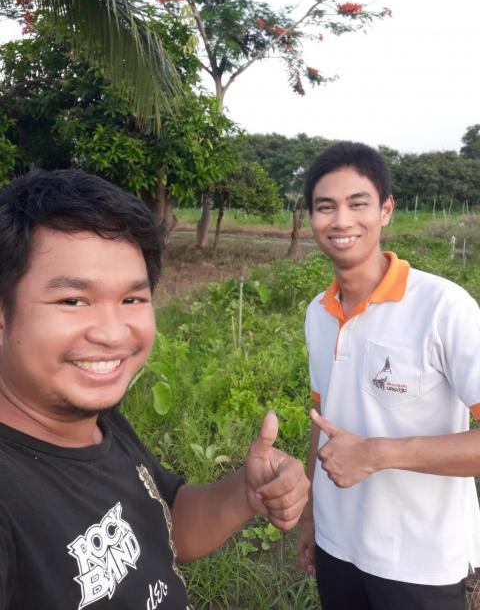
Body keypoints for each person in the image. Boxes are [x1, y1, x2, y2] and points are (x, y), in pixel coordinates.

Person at [0, 169, 309, 610]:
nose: (112, 333)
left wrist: (245, 490)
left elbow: (167, 524)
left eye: (132, 299)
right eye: (73, 301)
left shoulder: (99, 420)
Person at [297, 141, 480, 610]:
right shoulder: (318, 312)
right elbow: (322, 417)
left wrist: (377, 454)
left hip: (419, 560)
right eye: (326, 207)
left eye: (358, 203)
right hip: (336, 545)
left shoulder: (443, 308)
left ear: (386, 210)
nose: (341, 221)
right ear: (311, 218)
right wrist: (312, 516)